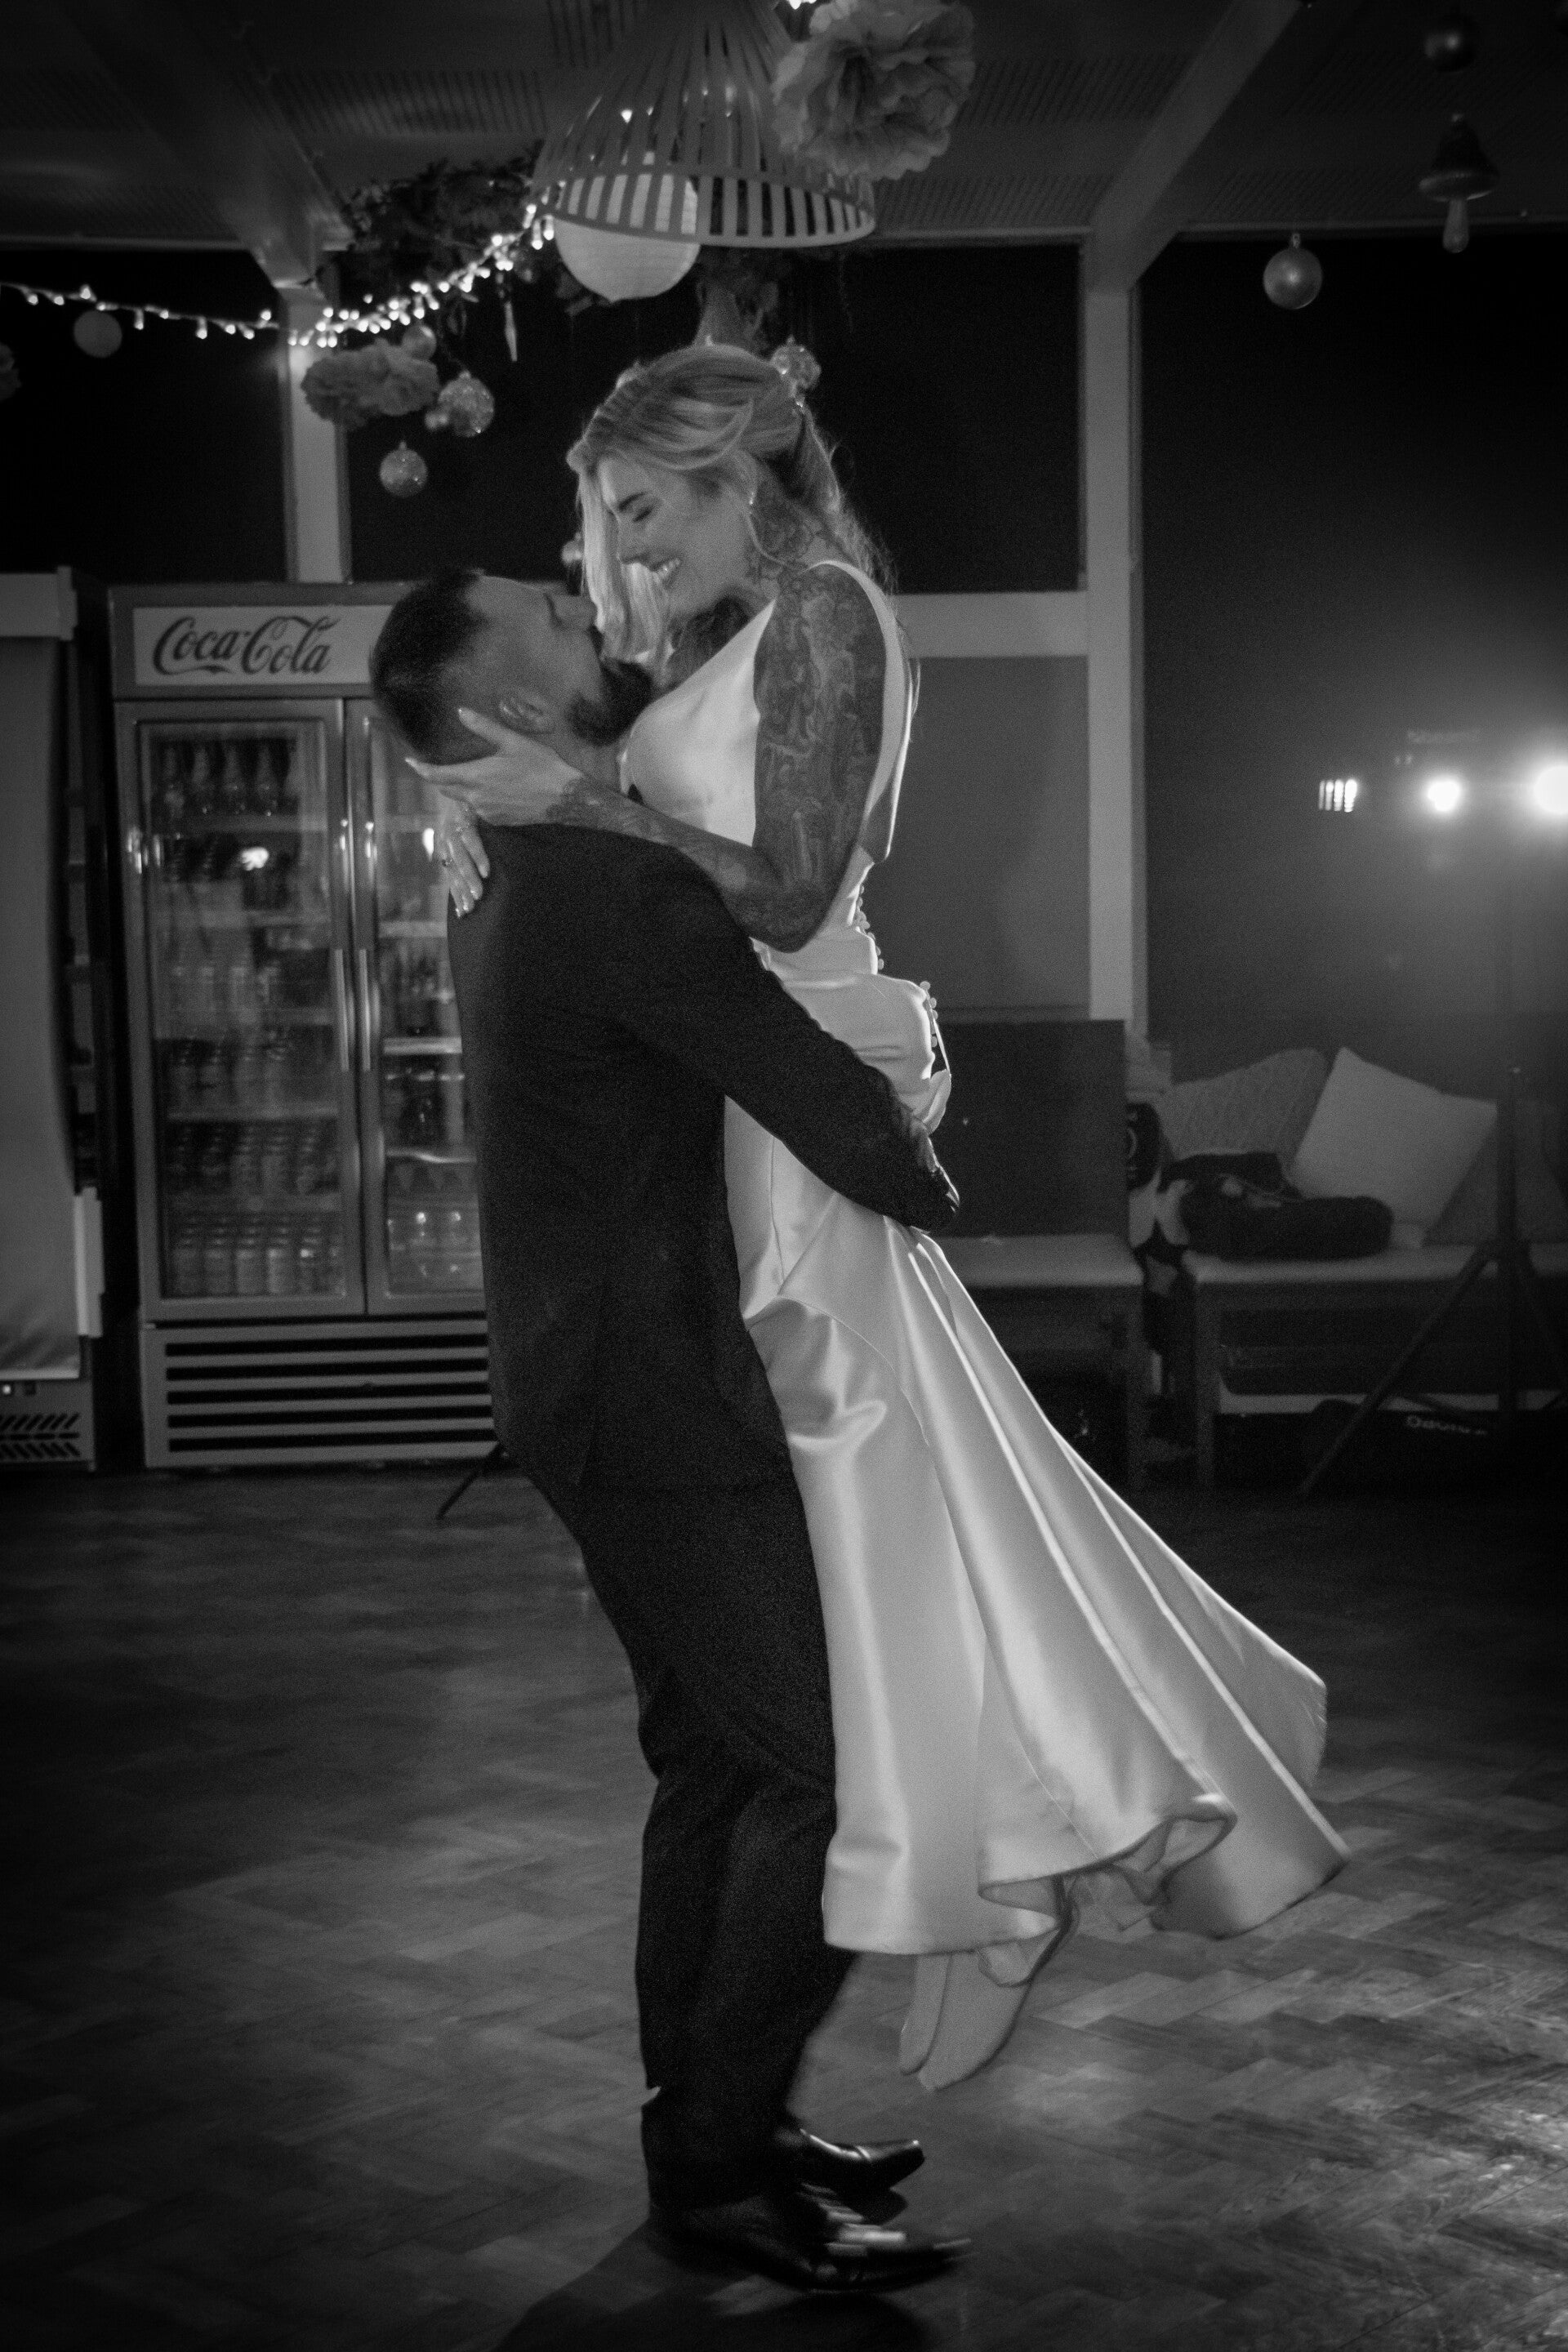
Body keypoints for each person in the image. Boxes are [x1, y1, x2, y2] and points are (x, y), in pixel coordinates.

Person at [421, 343, 1350, 2092]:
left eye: (644, 508)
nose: (622, 553)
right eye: (608, 519)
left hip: (787, 1105)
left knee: (891, 1520)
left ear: (738, 471)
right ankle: (979, 1874)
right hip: (737, 1103)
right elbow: (580, 799)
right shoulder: (713, 634)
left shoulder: (830, 616)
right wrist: (481, 820)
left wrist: (595, 813)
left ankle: (993, 1873)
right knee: (890, 1546)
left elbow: (783, 892)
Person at [369, 572, 969, 2295]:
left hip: (587, 1389)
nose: (588, 612)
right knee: (819, 1772)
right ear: (507, 710)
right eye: (553, 619)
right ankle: (719, 2157)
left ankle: (715, 2136)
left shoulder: (515, 873)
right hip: (653, 1399)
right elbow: (807, 1084)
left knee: (717, 1761)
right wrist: (930, 1175)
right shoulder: (606, 886)